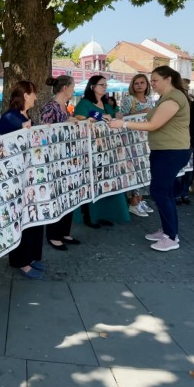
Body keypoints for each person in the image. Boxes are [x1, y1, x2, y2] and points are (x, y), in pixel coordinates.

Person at [108, 66, 192, 252]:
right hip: (164, 149)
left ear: (168, 79)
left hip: (171, 150)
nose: (151, 84)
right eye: (151, 80)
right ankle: (168, 230)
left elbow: (153, 124)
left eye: (154, 80)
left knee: (160, 191)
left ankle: (171, 236)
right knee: (164, 191)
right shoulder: (167, 98)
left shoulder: (173, 98)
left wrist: (123, 124)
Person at [0, 81, 44, 279]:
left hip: (29, 176)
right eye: (34, 94)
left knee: (32, 217)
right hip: (15, 178)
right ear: (25, 95)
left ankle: (31, 257)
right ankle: (21, 261)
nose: (36, 97)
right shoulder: (10, 117)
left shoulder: (23, 116)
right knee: (21, 218)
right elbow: (4, 140)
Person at [73, 75, 129, 228]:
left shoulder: (107, 104)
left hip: (108, 149)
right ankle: (90, 216)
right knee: (93, 183)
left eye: (106, 85)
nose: (105, 87)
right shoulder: (84, 103)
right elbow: (78, 120)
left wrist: (117, 114)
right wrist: (96, 118)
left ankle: (104, 214)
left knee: (106, 182)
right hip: (90, 151)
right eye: (102, 84)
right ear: (92, 87)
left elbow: (117, 116)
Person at [39, 76, 81, 253]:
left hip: (68, 159)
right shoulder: (50, 107)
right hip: (56, 160)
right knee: (57, 196)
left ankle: (64, 232)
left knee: (68, 195)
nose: (73, 89)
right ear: (65, 88)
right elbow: (44, 133)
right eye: (72, 86)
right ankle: (53, 235)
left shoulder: (64, 106)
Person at [119, 74, 156, 216]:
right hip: (132, 138)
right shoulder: (129, 99)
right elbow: (123, 117)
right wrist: (142, 112)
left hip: (146, 138)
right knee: (134, 170)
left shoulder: (149, 99)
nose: (139, 85)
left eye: (142, 83)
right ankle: (133, 202)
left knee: (145, 170)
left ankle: (140, 200)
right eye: (136, 83)